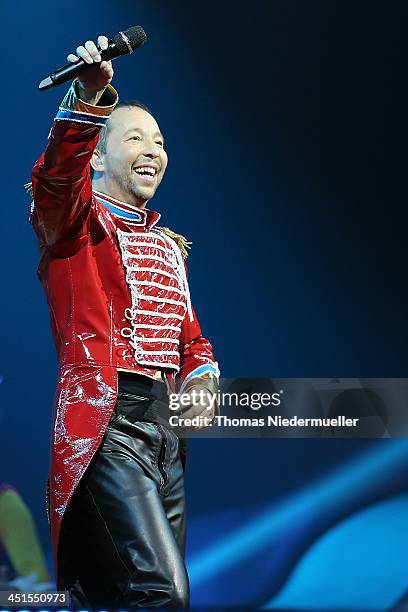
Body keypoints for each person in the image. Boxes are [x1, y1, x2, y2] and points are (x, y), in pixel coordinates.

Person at [29, 34, 219, 609]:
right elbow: (57, 180)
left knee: (124, 596)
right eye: (134, 136)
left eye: (159, 141)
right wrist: (91, 97)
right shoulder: (74, 228)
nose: (153, 149)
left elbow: (190, 337)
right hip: (107, 424)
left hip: (166, 431)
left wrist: (202, 374)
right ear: (99, 155)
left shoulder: (168, 245)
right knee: (164, 593)